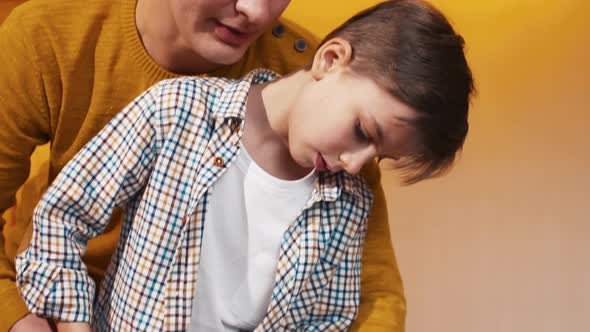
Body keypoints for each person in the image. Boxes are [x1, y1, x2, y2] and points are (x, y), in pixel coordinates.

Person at [14, 0, 474, 331]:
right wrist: (25, 316)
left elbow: (354, 305)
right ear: (330, 60)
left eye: (378, 154)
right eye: (363, 134)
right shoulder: (172, 107)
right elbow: (61, 219)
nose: (256, 10)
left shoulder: (343, 170)